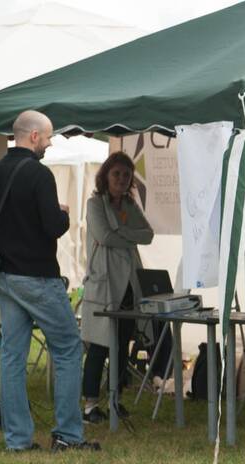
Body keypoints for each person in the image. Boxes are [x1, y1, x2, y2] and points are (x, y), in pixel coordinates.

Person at [0, 110, 98, 452]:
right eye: (48, 137)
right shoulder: (39, 174)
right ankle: (67, 434)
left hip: (4, 275)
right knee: (67, 348)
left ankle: (17, 439)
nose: (49, 143)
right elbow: (52, 226)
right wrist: (62, 213)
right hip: (37, 274)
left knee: (12, 355)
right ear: (33, 136)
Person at [79, 152, 155, 423]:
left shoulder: (130, 206)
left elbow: (147, 235)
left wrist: (120, 232)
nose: (122, 179)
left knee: (122, 344)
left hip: (128, 284)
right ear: (105, 176)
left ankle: (114, 399)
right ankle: (89, 405)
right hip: (104, 283)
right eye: (116, 174)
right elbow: (103, 236)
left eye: (126, 175)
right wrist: (125, 234)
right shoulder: (94, 204)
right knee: (99, 345)